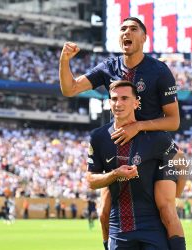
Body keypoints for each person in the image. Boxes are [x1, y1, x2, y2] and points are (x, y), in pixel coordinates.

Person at [60, 17, 185, 250]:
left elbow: (173, 120)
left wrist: (138, 126)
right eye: (123, 29)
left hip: (154, 146)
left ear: (144, 38)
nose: (127, 32)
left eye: (133, 29)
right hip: (119, 146)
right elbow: (70, 88)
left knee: (166, 208)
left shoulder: (159, 71)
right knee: (104, 211)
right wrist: (64, 60)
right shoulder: (109, 66)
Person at [86, 81, 185, 249]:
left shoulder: (156, 137)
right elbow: (90, 181)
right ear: (109, 102)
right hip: (119, 229)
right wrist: (115, 174)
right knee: (103, 209)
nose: (119, 103)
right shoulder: (98, 137)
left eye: (125, 98)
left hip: (152, 228)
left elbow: (182, 162)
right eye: (114, 99)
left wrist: (177, 193)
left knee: (169, 211)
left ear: (136, 103)